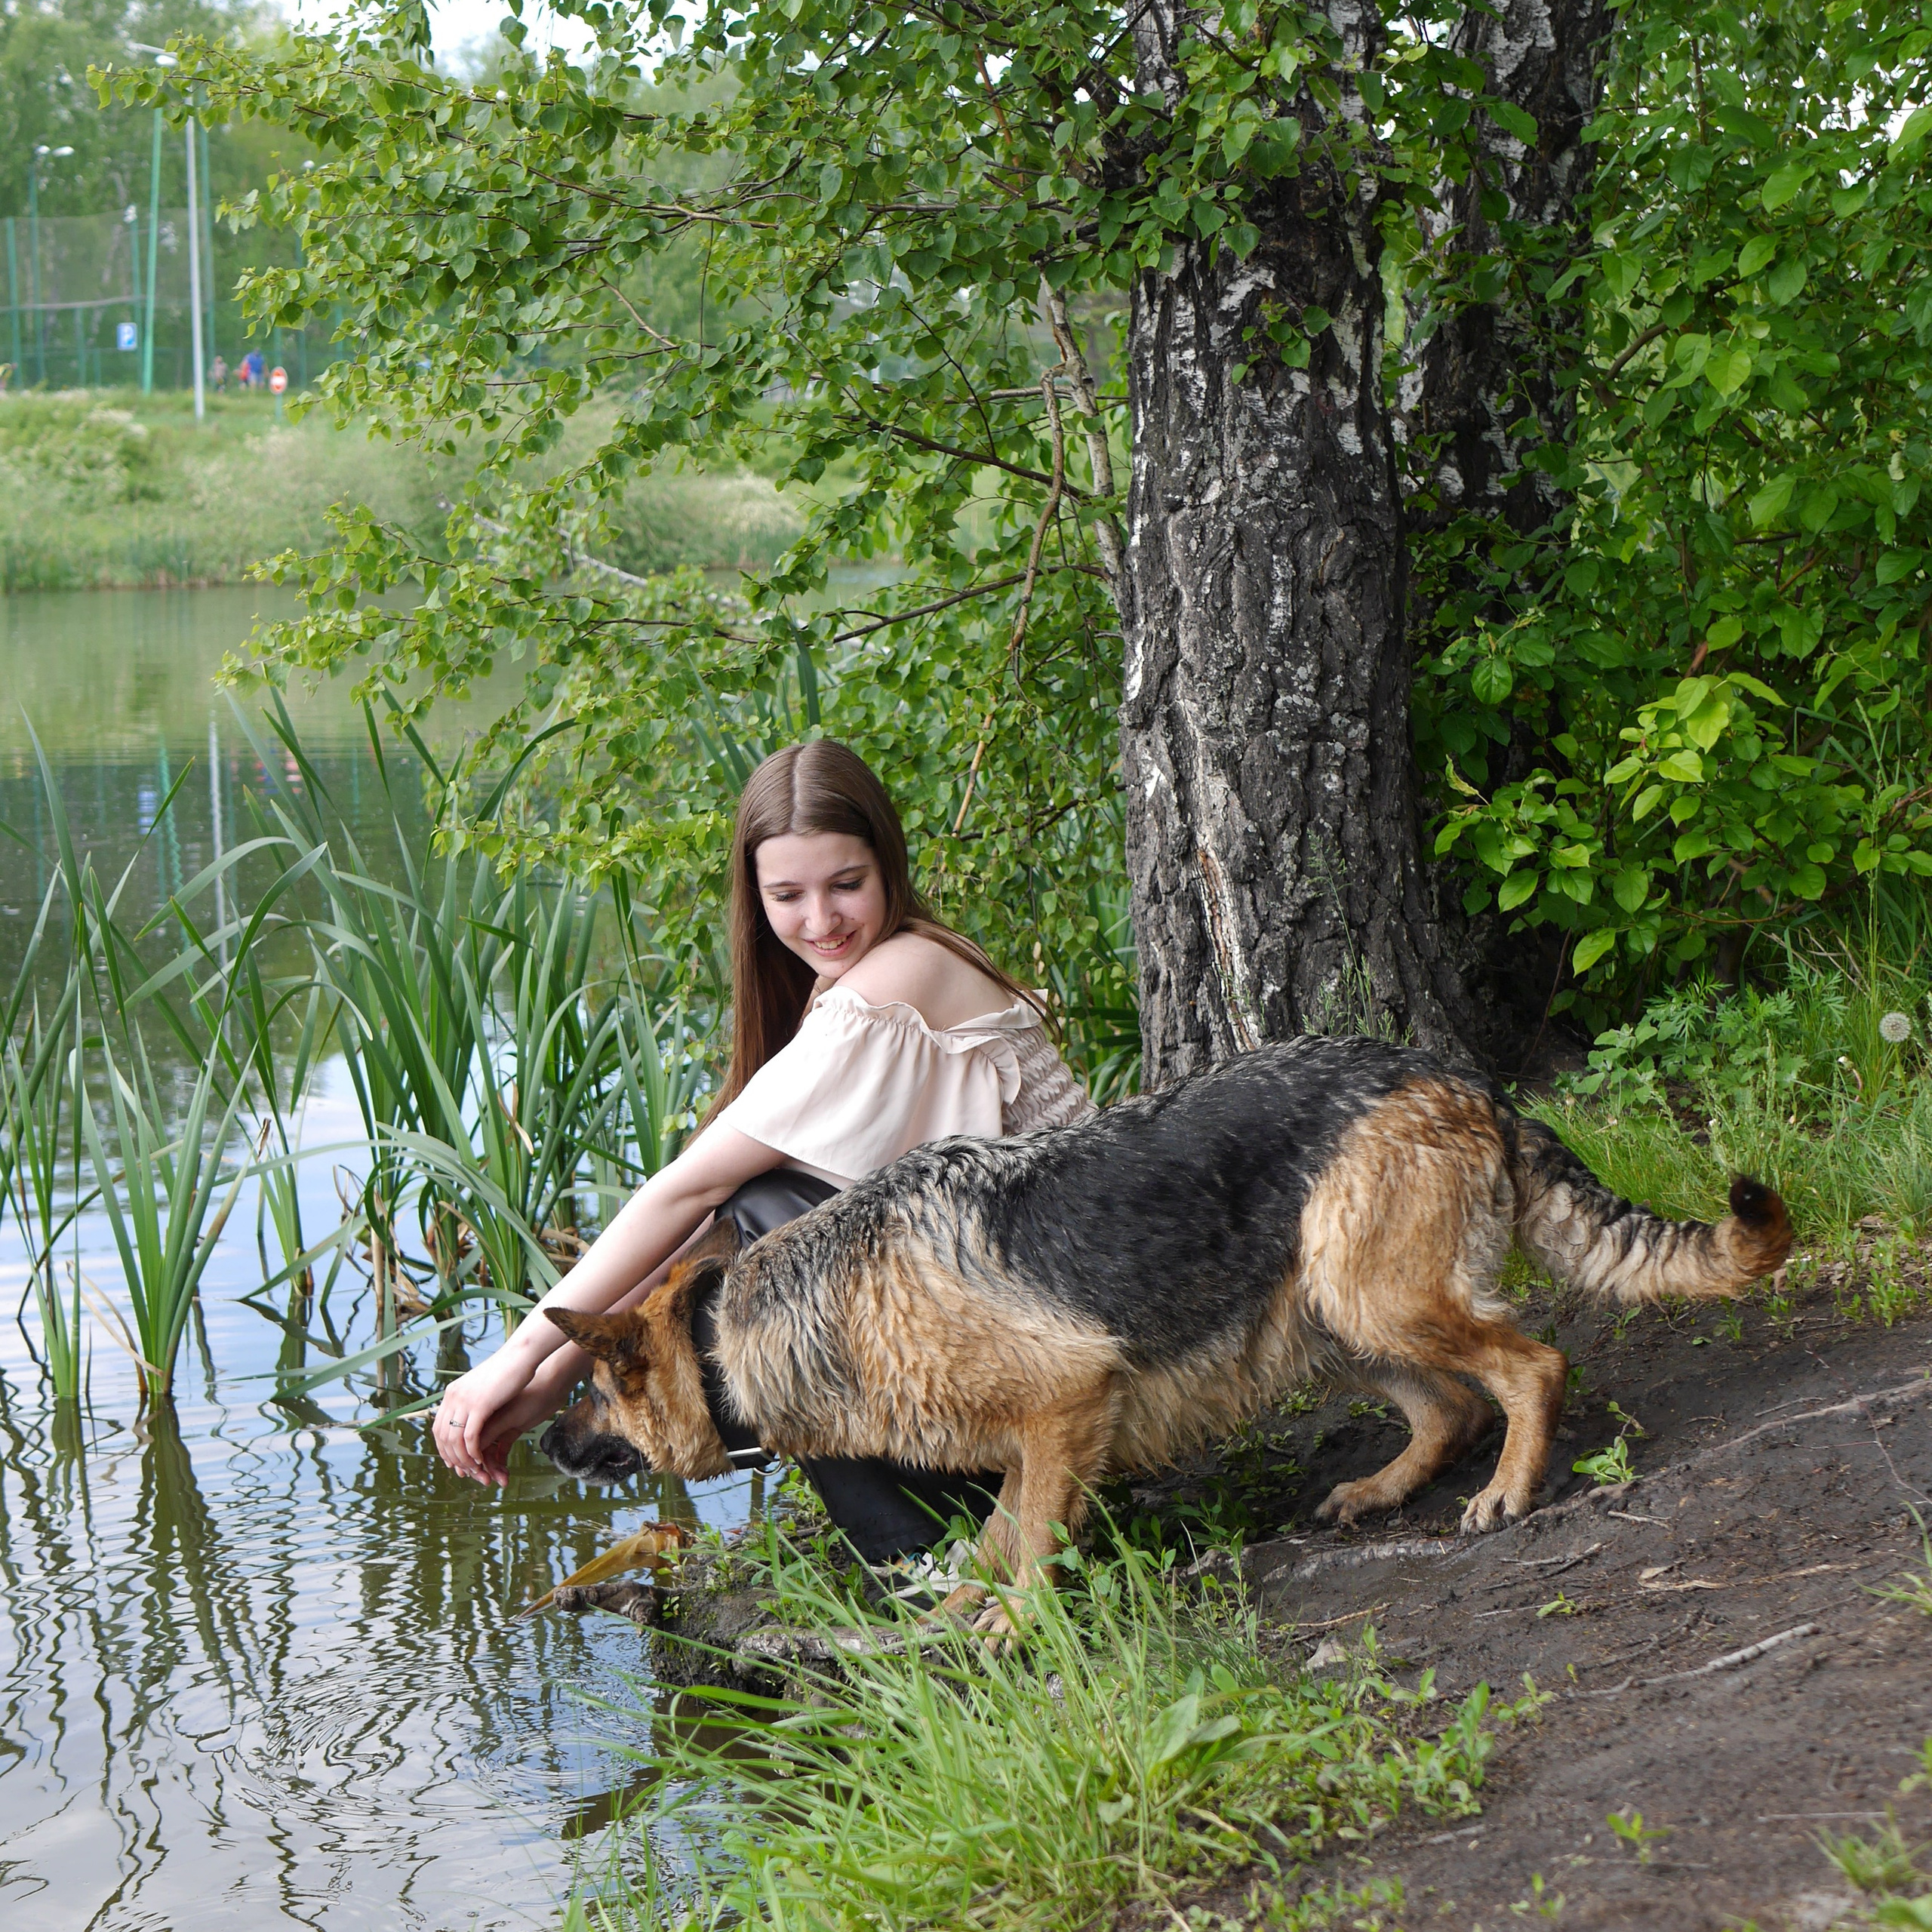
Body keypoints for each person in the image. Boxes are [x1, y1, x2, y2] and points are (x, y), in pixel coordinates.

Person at [432, 740, 1096, 1558]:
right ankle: (934, 1530)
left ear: (887, 865)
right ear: (754, 895)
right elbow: (693, 1216)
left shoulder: (902, 977)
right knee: (763, 1212)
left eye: (846, 885)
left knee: (767, 1227)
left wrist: (514, 1357)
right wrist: (546, 1382)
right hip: (1022, 1330)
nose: (820, 920)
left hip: (1065, 1352)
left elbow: (692, 1196)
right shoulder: (851, 985)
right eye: (788, 894)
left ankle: (919, 1552)